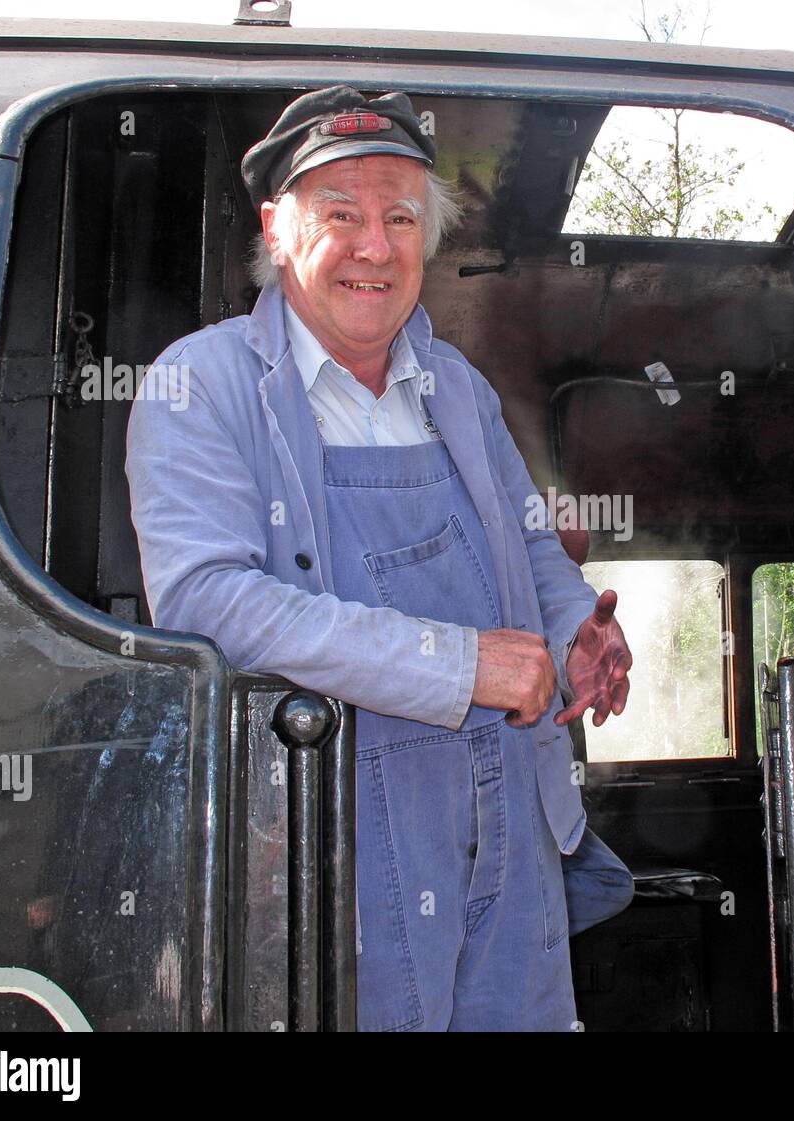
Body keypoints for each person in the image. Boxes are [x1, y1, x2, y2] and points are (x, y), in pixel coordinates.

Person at [125, 87, 635, 1031]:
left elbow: (529, 541)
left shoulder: (458, 388)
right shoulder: (201, 383)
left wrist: (572, 634)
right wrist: (462, 662)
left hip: (511, 819)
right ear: (278, 231)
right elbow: (206, 601)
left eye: (401, 217)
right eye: (343, 215)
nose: (374, 246)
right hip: (333, 837)